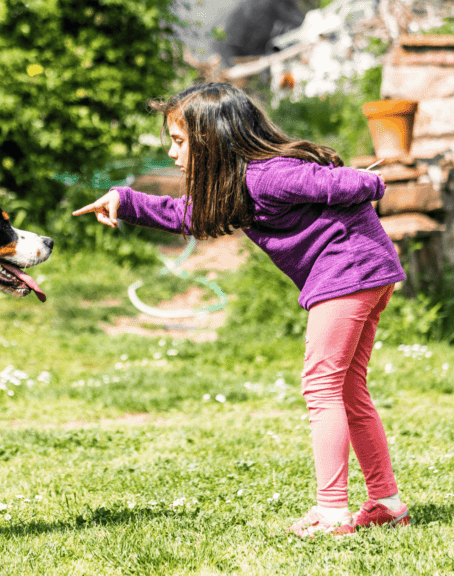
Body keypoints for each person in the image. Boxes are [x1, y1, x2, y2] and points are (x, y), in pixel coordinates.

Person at [73, 83, 411, 537]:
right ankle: (386, 503)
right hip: (368, 272)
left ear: (212, 139)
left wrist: (369, 181)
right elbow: (189, 215)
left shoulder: (267, 175)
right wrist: (126, 200)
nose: (173, 154)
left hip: (347, 271)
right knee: (348, 388)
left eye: (179, 142)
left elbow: (344, 182)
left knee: (322, 387)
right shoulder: (244, 182)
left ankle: (332, 513)